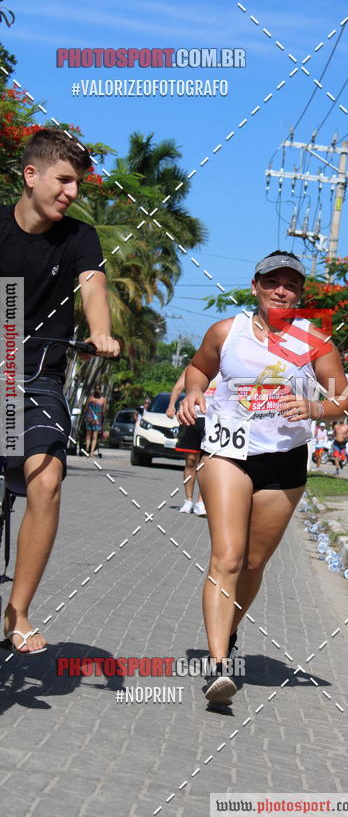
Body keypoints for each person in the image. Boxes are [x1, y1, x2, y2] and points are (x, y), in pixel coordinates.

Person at [178, 249, 348, 705]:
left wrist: (316, 407)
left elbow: (342, 398)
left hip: (285, 459)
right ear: (255, 287)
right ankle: (218, 668)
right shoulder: (226, 331)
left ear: (299, 293)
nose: (281, 289)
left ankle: (227, 634)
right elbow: (199, 368)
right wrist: (194, 392)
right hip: (227, 452)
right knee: (228, 557)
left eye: (290, 284)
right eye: (272, 281)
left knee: (253, 563)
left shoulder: (315, 341)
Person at [0, 129, 120, 654]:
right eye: (64, 179)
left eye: (78, 184)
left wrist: (100, 331)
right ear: (31, 175)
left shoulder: (78, 238)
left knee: (46, 479)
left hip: (38, 377)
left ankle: (18, 612)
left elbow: (92, 284)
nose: (72, 192)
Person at [167, 367, 206, 516]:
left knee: (206, 463)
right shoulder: (194, 367)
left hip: (214, 419)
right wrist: (171, 406)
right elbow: (178, 387)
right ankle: (188, 500)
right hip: (192, 417)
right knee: (190, 461)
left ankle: (201, 502)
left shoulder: (225, 364)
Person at [83, 385, 106, 457]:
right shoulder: (90, 398)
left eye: (98, 389)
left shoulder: (103, 400)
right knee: (88, 435)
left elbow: (104, 410)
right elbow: (86, 408)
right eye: (96, 389)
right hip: (90, 419)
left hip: (97, 420)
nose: (97, 391)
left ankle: (92, 452)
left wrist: (102, 420)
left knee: (95, 436)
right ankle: (87, 449)